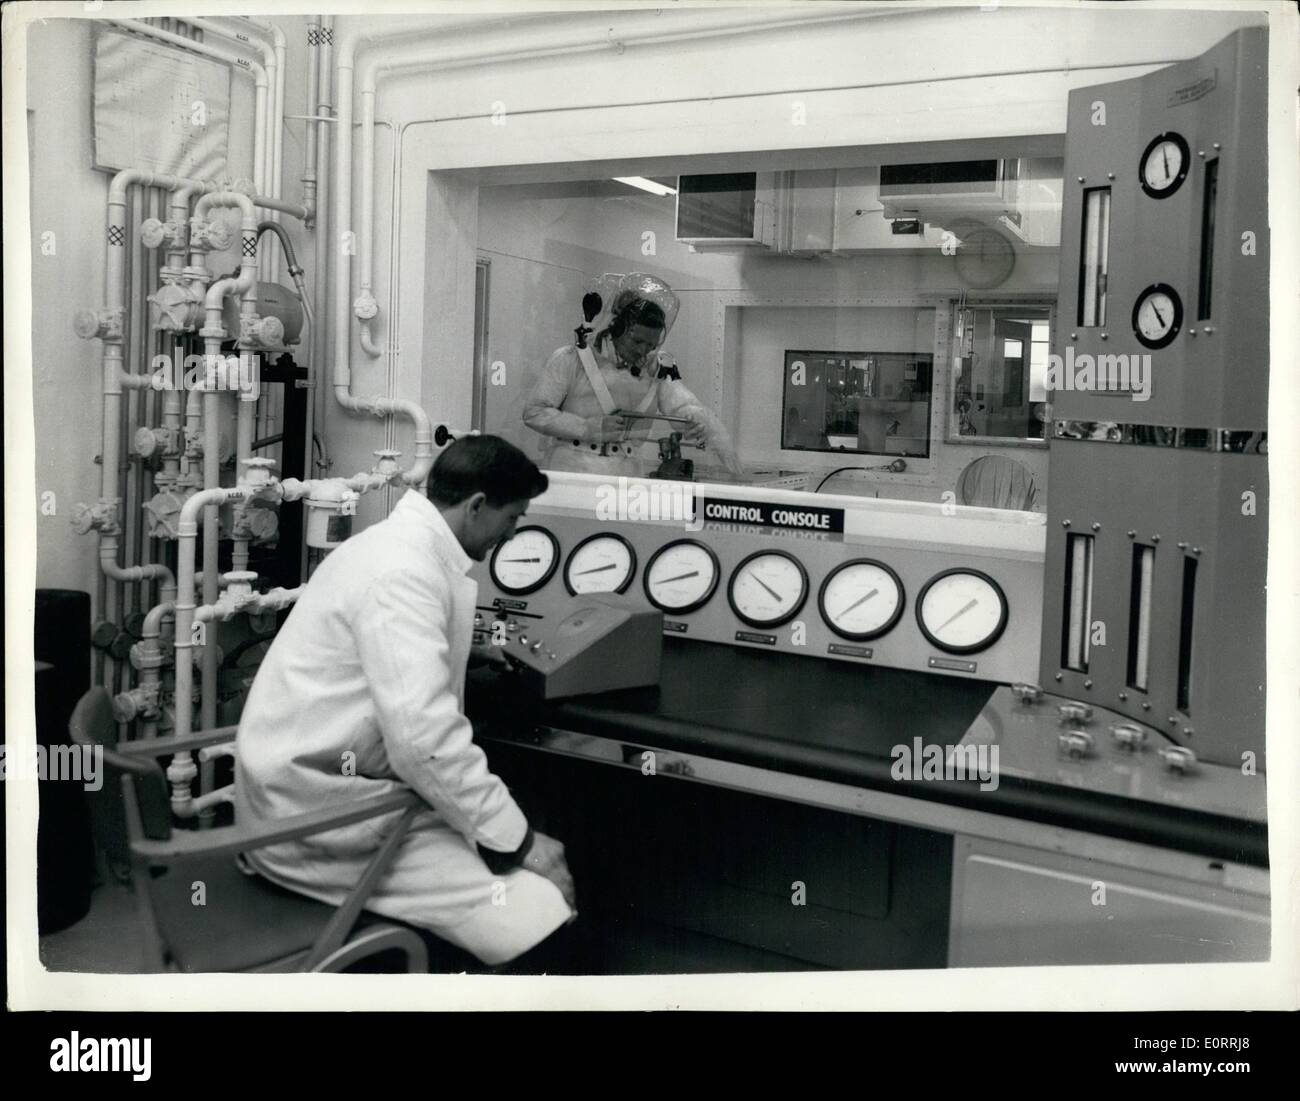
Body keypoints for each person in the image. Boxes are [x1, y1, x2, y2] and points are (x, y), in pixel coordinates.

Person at [234, 435, 577, 970]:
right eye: (513, 518)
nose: (512, 534)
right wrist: (521, 843)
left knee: (492, 836)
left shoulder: (389, 546)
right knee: (538, 908)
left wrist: (457, 653)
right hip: (316, 817)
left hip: (308, 787)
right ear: (477, 506)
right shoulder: (403, 572)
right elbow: (423, 742)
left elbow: (371, 657)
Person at [522, 272, 744, 478]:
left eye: (650, 344)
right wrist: (588, 428)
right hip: (573, 470)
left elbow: (682, 404)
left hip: (627, 474)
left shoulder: (658, 366)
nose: (642, 351)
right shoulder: (571, 358)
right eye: (637, 341)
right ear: (616, 329)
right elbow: (535, 412)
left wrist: (696, 424)